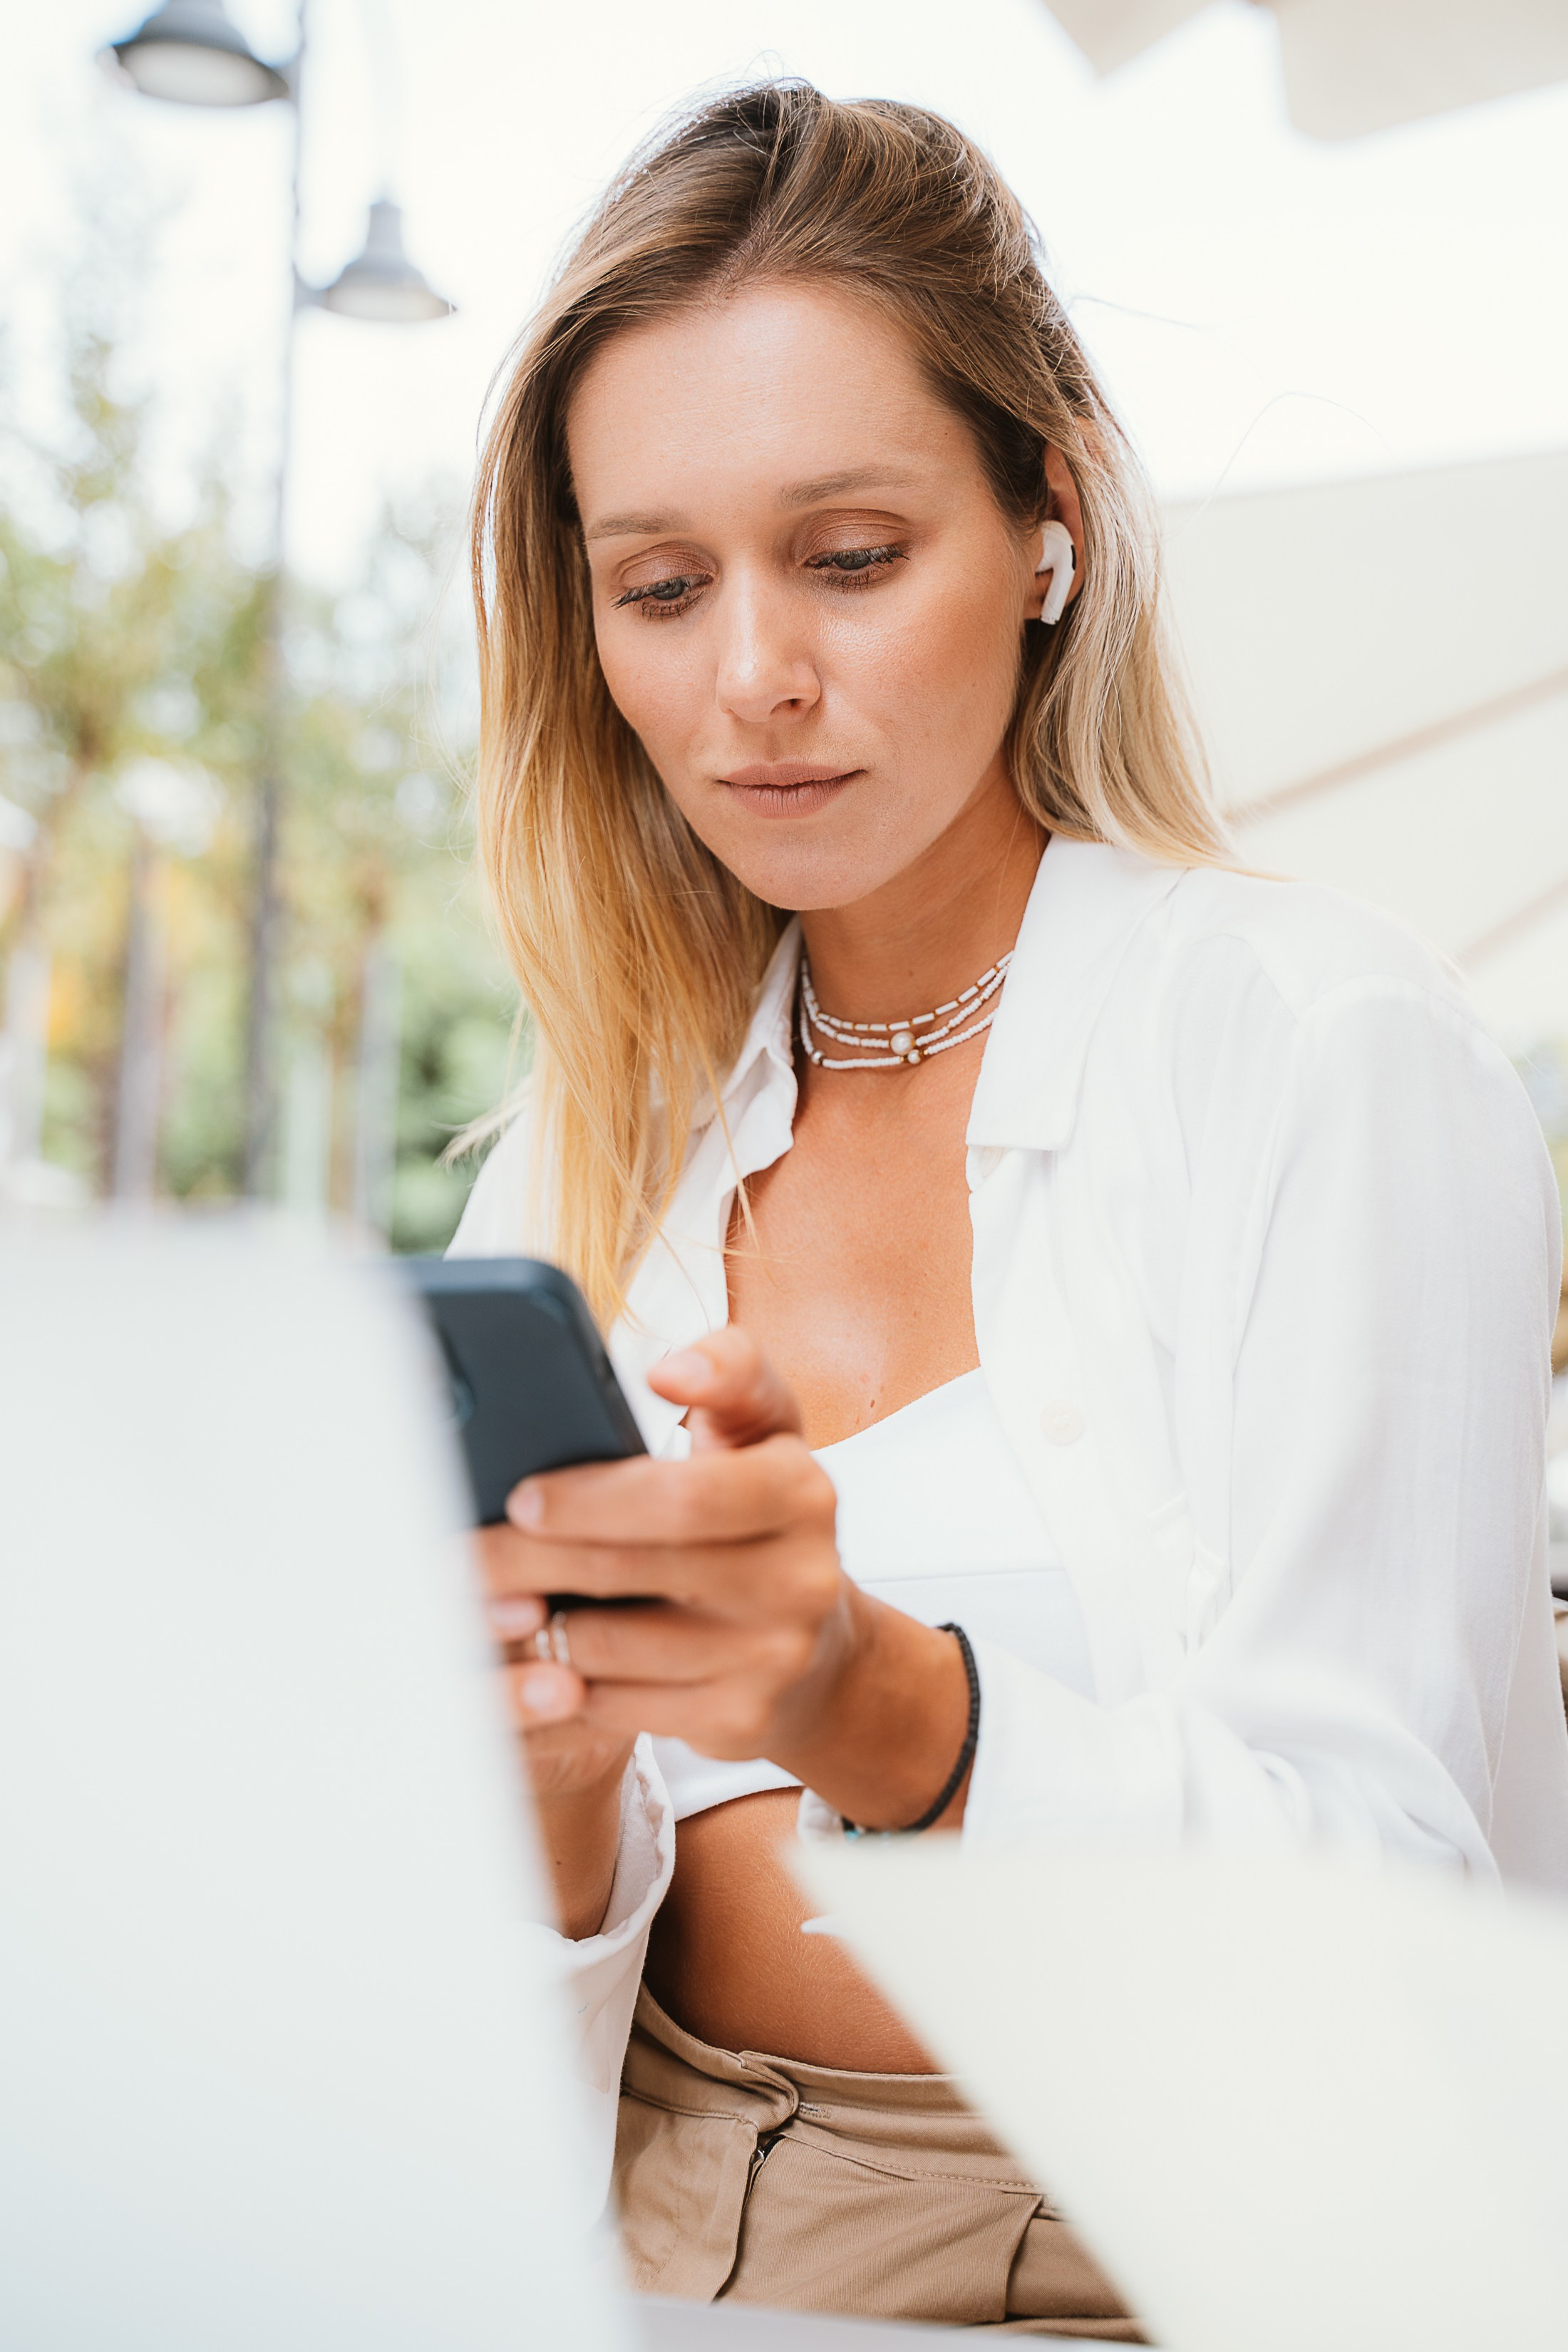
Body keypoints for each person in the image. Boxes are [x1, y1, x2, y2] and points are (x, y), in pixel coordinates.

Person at [453, 83, 1568, 2336]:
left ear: (1046, 519)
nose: (753, 671)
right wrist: (555, 1792)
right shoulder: (579, 1151)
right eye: (660, 585)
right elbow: (477, 2034)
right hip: (652, 2239)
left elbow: (1398, 1945)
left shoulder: (1324, 1051)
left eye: (851, 556)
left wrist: (888, 1706)